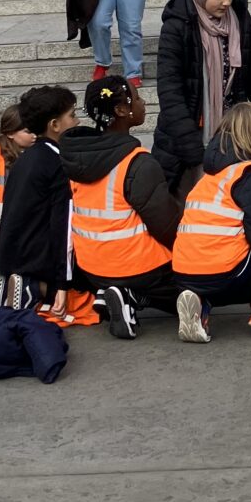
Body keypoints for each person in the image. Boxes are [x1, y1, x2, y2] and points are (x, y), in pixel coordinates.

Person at [62, 75, 183, 338]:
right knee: (203, 289)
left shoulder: (76, 157)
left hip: (92, 269)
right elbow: (168, 227)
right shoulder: (137, 163)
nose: (143, 102)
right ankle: (133, 296)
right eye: (136, 98)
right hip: (140, 269)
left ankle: (115, 293)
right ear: (120, 110)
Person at [150, 0, 251, 197]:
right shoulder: (177, 25)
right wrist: (190, 143)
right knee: (194, 199)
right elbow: (170, 89)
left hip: (234, 128)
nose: (226, 2)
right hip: (192, 129)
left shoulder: (240, 17)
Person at [168, 101, 251, 337]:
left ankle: (202, 305)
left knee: (227, 240)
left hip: (184, 274)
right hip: (226, 276)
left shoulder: (210, 175)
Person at [0, 84, 77, 309]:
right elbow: (63, 226)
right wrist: (62, 284)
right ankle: (38, 288)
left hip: (13, 258)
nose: (77, 121)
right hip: (41, 262)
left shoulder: (26, 158)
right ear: (55, 125)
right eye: (72, 115)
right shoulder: (57, 162)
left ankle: (18, 283)